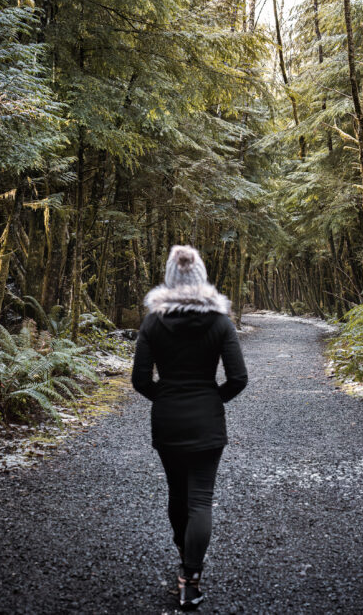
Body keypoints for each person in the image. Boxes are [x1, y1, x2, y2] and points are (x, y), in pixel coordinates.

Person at [131, 244, 248, 610]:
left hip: (167, 420)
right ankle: (190, 579)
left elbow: (139, 380)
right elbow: (238, 379)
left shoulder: (153, 322)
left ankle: (185, 555)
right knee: (201, 499)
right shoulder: (220, 322)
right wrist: (212, 400)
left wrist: (165, 398)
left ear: (170, 276)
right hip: (207, 421)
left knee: (177, 496)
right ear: (201, 276)